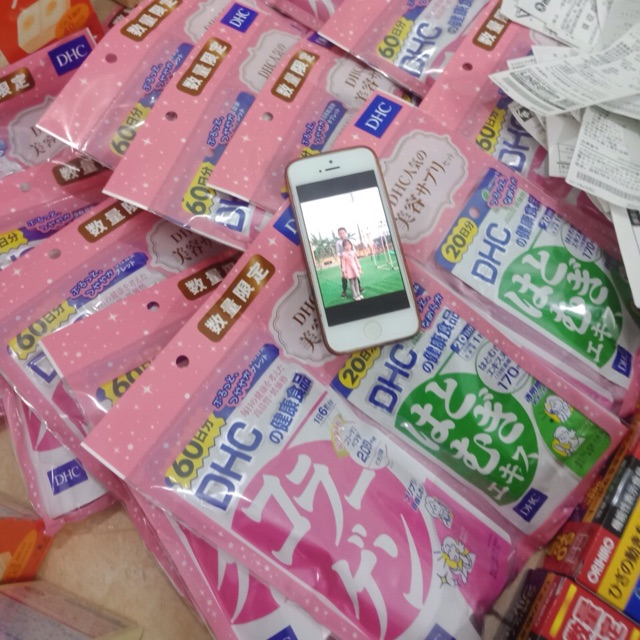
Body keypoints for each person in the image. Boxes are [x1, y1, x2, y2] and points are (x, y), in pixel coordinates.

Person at [335, 227, 363, 297]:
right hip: (344, 261)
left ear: (345, 233)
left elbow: (354, 249)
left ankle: (359, 286)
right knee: (344, 276)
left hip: (352, 260)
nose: (342, 234)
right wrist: (341, 255)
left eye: (343, 233)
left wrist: (354, 254)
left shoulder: (349, 241)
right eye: (340, 233)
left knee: (355, 273)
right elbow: (338, 252)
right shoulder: (338, 242)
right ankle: (344, 290)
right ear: (338, 234)